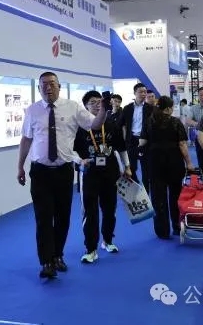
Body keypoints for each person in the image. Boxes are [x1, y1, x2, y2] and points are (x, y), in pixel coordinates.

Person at [17, 72, 109, 279]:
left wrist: (103, 109)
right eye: (43, 85)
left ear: (59, 86)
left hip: (63, 171)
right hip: (40, 172)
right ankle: (46, 262)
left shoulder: (73, 107)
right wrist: (20, 167)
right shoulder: (32, 110)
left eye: (52, 84)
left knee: (62, 216)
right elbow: (26, 139)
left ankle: (58, 255)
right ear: (38, 88)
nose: (48, 88)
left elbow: (95, 125)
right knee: (43, 217)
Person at [73, 91, 131, 263]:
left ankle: (108, 240)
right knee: (89, 212)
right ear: (85, 106)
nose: (98, 105)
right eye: (93, 102)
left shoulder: (111, 124)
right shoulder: (80, 127)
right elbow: (71, 150)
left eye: (100, 102)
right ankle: (91, 249)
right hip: (89, 174)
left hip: (110, 172)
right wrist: (79, 160)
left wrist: (127, 167)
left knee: (109, 209)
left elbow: (121, 148)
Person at [147, 95, 195, 239]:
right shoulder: (175, 122)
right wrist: (189, 162)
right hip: (174, 162)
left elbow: (142, 141)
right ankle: (177, 226)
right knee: (176, 195)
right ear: (168, 108)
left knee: (158, 198)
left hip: (155, 162)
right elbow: (182, 144)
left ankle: (162, 231)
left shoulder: (149, 121)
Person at [121, 83, 154, 192]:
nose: (143, 94)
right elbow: (120, 123)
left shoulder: (150, 108)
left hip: (145, 141)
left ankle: (146, 192)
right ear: (135, 93)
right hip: (132, 140)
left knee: (146, 169)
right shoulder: (127, 108)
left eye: (145, 92)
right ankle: (135, 190)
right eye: (140, 92)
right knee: (131, 168)